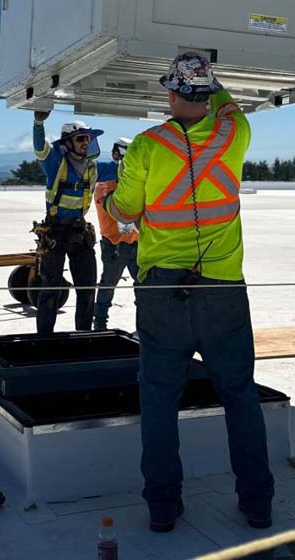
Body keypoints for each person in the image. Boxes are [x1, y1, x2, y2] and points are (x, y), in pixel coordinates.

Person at [109, 53, 274, 533]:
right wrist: (209, 74)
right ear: (207, 93)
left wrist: (114, 197)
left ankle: (163, 507)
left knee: (160, 399)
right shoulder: (233, 135)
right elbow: (229, 106)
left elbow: (124, 209)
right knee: (240, 395)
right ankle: (257, 504)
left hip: (162, 290)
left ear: (171, 94)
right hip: (223, 287)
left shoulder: (146, 146)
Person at [31, 113, 101, 334]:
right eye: (81, 139)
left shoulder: (92, 168)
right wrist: (38, 124)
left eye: (87, 139)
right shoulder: (55, 164)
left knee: (88, 288)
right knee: (50, 290)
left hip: (79, 232)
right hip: (55, 233)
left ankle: (83, 335)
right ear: (68, 142)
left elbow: (123, 169)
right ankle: (44, 339)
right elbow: (40, 148)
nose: (85, 143)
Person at [91, 137, 138, 331]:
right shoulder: (104, 184)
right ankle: (100, 324)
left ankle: (146, 325)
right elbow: (115, 212)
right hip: (115, 244)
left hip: (135, 242)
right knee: (108, 285)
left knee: (143, 287)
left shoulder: (132, 181)